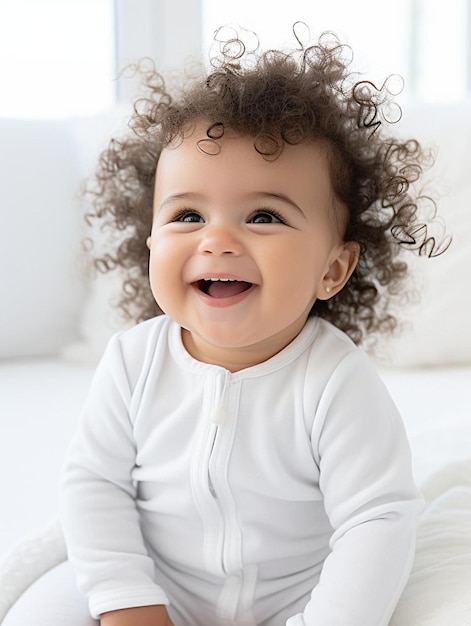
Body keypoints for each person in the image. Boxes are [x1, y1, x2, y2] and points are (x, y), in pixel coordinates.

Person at [4, 25, 449, 626]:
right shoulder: (133, 362)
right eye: (188, 214)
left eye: (264, 215)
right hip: (153, 588)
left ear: (334, 267)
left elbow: (377, 521)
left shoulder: (336, 381)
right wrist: (127, 602)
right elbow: (94, 487)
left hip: (294, 603)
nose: (217, 239)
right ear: (152, 242)